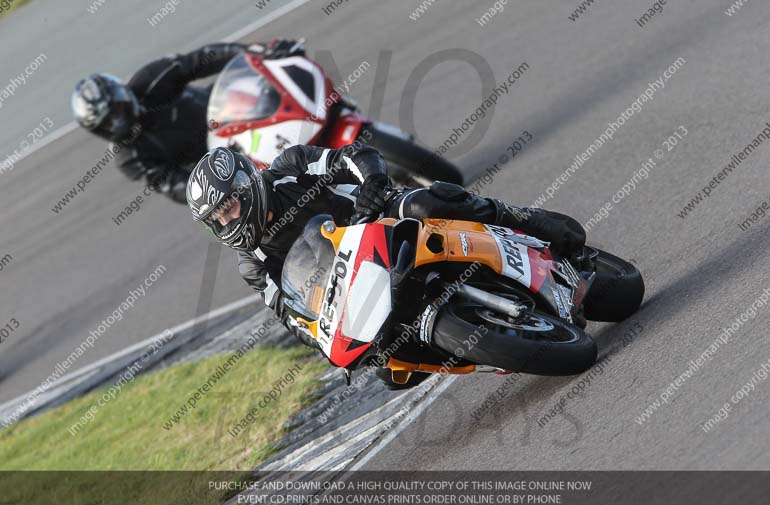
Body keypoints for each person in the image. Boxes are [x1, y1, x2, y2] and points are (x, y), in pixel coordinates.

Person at [186, 144, 586, 350]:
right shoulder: (251, 263)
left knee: (429, 202)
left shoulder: (289, 168)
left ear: (245, 185)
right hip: (351, 278)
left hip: (379, 217)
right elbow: (291, 316)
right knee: (387, 366)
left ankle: (519, 218)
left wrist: (373, 184)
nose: (228, 220)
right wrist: (323, 340)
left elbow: (354, 156)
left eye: (228, 206)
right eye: (217, 219)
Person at [70, 39, 305, 203]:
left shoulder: (150, 80)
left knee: (279, 71)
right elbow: (173, 185)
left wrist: (255, 52)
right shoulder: (130, 158)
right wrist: (216, 189)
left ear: (122, 94)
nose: (118, 122)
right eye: (108, 124)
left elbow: (199, 60)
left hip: (230, 108)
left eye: (117, 111)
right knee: (268, 208)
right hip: (226, 161)